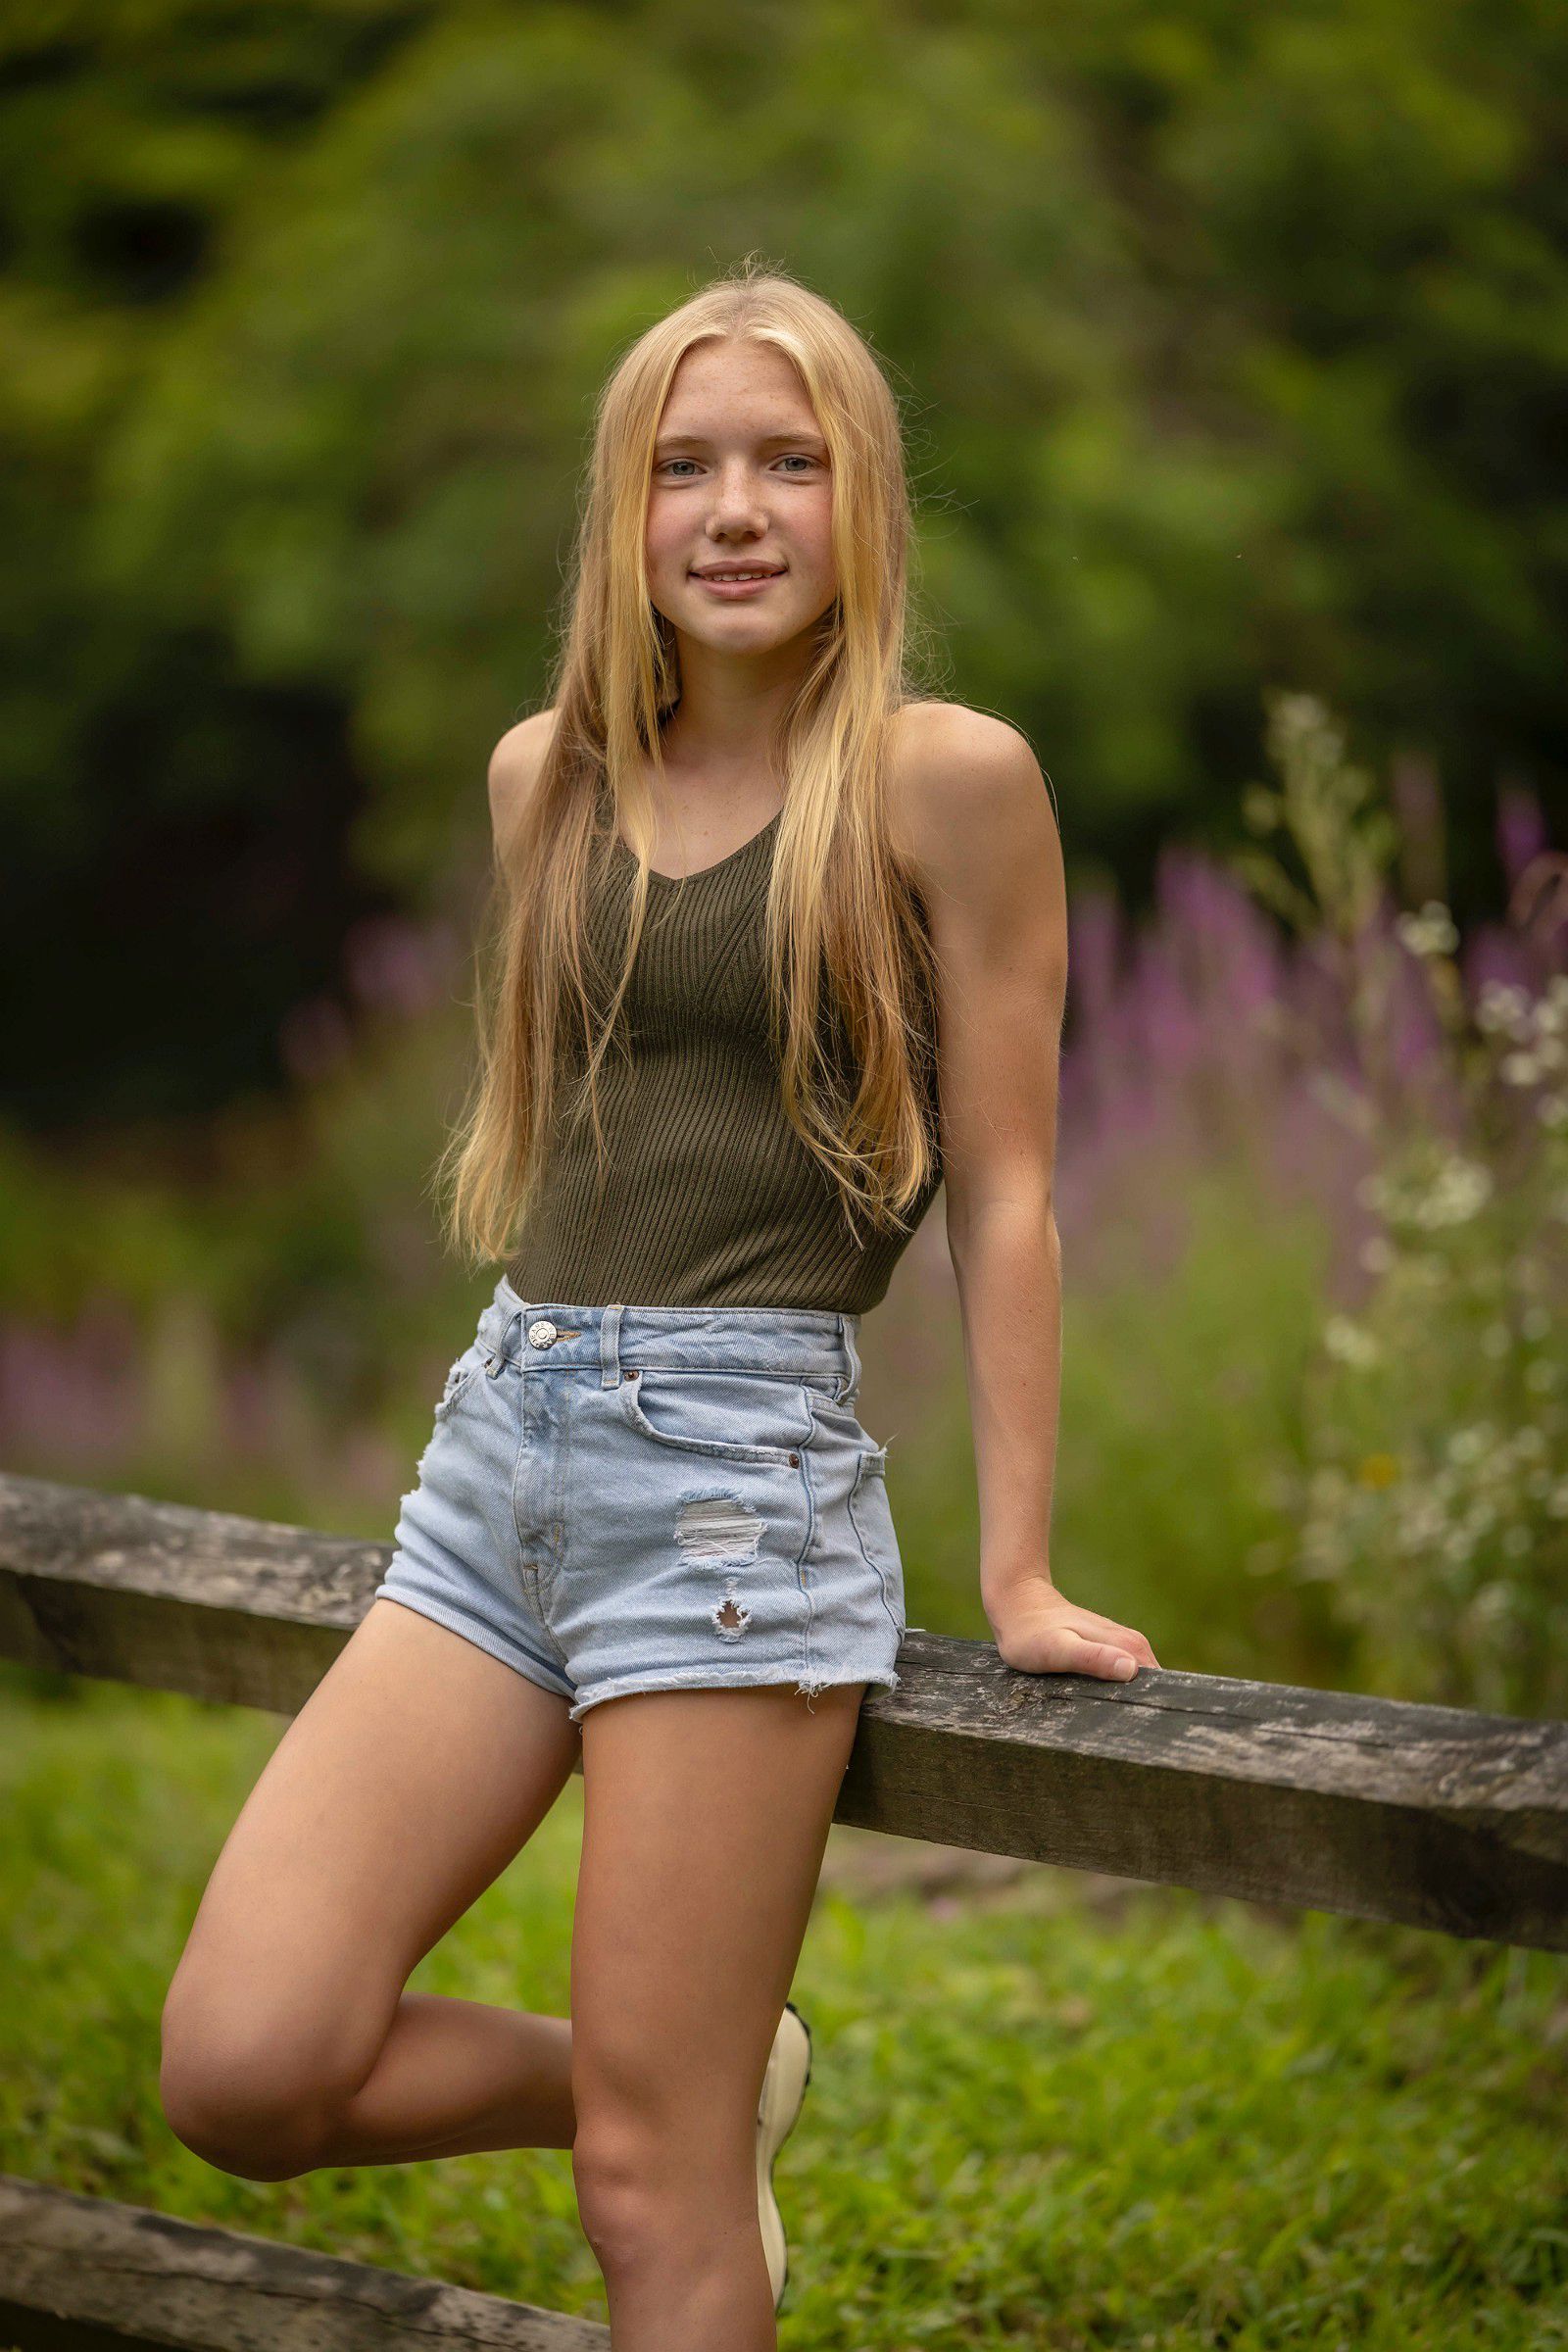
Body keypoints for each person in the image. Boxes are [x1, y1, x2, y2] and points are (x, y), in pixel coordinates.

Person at [159, 259, 1159, 2349]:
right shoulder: (547, 780)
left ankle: (678, 2136)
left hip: (734, 1501)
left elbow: (1011, 1192)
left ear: (862, 502)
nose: (733, 508)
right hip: (497, 1460)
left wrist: (1020, 1565)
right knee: (243, 2068)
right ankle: (707, 2098)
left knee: (648, 2201)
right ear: (620, 514)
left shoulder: (941, 782)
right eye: (682, 465)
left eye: (787, 462)